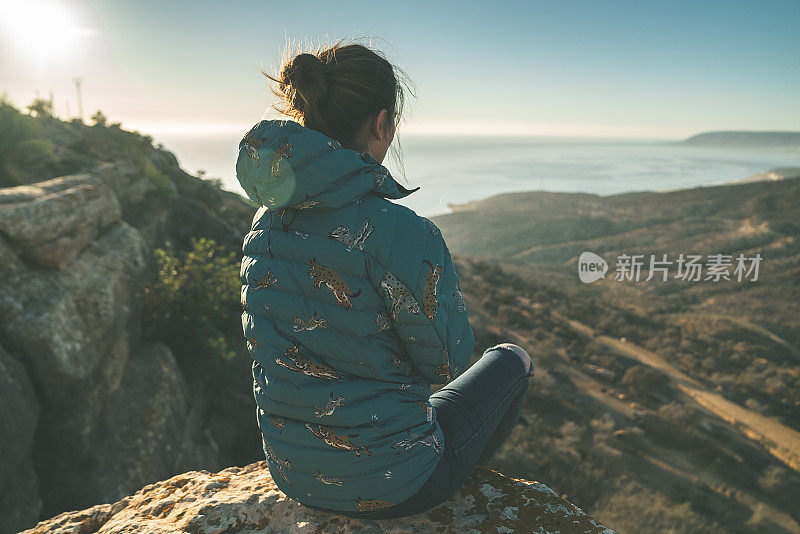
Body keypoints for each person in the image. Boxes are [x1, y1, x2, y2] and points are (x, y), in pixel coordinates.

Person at [236, 38, 534, 519]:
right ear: (380, 123)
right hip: (401, 486)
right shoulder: (403, 232)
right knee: (511, 361)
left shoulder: (263, 224)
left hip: (291, 474)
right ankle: (455, 502)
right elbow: (447, 364)